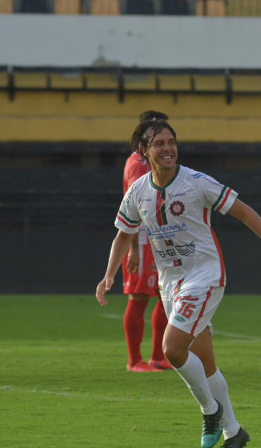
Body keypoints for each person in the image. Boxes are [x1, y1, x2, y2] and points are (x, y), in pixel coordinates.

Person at [96, 119, 261, 448]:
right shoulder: (138, 191)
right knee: (205, 364)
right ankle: (234, 433)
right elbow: (124, 234)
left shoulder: (197, 182)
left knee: (172, 348)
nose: (168, 148)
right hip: (171, 282)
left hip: (204, 276)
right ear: (144, 151)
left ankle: (210, 411)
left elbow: (244, 212)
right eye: (159, 143)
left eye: (171, 141)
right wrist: (108, 276)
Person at [121, 110, 171, 373]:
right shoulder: (138, 164)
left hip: (158, 239)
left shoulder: (151, 163)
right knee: (138, 298)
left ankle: (158, 356)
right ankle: (134, 360)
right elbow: (132, 209)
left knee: (164, 296)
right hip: (140, 241)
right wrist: (132, 250)